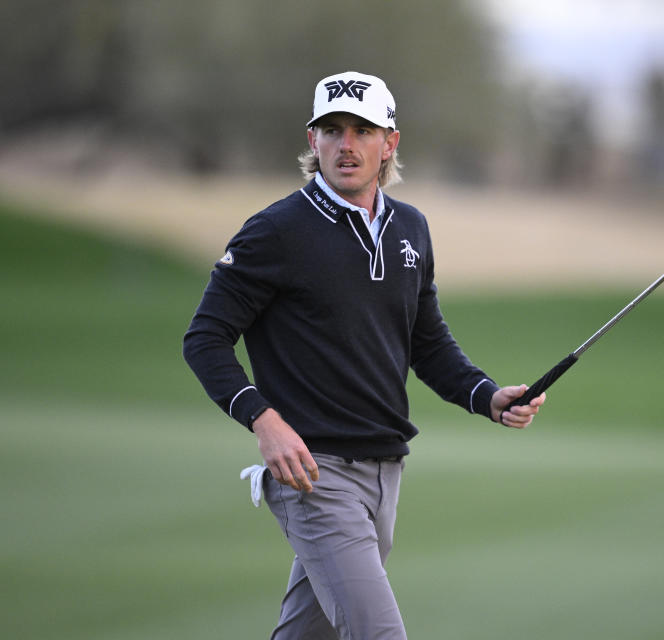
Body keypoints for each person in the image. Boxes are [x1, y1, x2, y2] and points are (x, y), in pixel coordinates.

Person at [182, 71, 545, 640]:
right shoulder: (276, 231)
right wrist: (263, 418)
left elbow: (426, 342)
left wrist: (487, 396)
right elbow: (204, 337)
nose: (346, 144)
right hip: (314, 475)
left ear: (390, 143)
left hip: (384, 471)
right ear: (312, 140)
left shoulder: (410, 228)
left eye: (362, 130)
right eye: (332, 130)